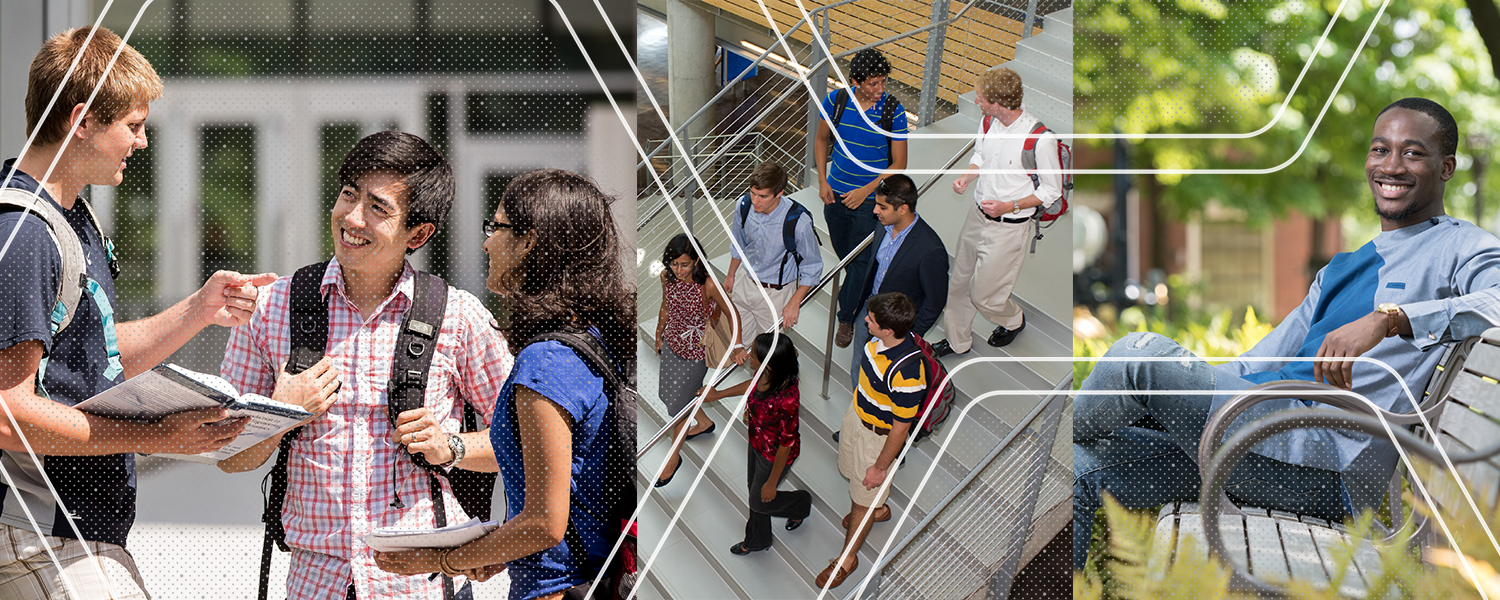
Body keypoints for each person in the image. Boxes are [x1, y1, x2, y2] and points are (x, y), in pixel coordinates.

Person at [1071, 98, 1500, 571]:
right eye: (1381, 149)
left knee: (1141, 354)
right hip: (1258, 437)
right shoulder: (1343, 268)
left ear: (1447, 167)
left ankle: (1042, 437)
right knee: (1079, 468)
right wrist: (1177, 398)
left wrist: (1390, 318)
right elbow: (1255, 363)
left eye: (1413, 153)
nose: (1391, 165)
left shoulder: (1462, 244)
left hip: (1327, 461)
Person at [0, 27, 276, 599]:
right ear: (81, 121)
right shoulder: (24, 232)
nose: (143, 141)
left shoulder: (73, 218)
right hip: (36, 532)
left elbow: (83, 357)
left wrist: (200, 310)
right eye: (133, 124)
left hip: (72, 533)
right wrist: (157, 434)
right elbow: (8, 414)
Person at [218, 131, 513, 599]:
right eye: (348, 194)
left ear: (418, 233)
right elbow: (230, 456)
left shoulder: (458, 316)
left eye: (378, 208)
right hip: (315, 583)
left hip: (423, 585)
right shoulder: (274, 308)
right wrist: (279, 411)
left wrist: (450, 445)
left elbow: (527, 442)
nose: (352, 218)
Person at [372, 169, 635, 600]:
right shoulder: (593, 341)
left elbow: (543, 525)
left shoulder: (546, 362)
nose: (487, 241)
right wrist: (490, 547)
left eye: (497, 226)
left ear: (530, 241)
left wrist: (439, 560)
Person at [932, 67, 1063, 356]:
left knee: (985, 297)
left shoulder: (1040, 141)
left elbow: (1050, 191)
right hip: (976, 216)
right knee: (960, 282)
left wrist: (1009, 206)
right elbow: (981, 155)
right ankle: (957, 340)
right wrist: (968, 176)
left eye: (980, 99)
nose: (976, 102)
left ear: (998, 103)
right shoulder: (989, 122)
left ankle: (1013, 319)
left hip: (1009, 228)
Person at [819, 293, 926, 589]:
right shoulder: (876, 341)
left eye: (872, 320)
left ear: (888, 330)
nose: (865, 320)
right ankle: (878, 509)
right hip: (857, 418)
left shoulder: (907, 374)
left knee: (862, 496)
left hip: (876, 439)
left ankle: (847, 559)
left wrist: (880, 467)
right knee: (851, 475)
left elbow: (900, 429)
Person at [816, 48, 911, 349]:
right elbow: (820, 139)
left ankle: (846, 317)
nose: (879, 89)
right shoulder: (836, 101)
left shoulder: (891, 110)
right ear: (855, 81)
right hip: (834, 196)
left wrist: (866, 192)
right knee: (846, 255)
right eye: (872, 83)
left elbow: (899, 164)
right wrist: (822, 180)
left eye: (883, 82)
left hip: (869, 202)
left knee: (858, 262)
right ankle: (857, 288)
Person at [697, 332, 813, 555]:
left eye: (754, 354)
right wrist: (718, 394)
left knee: (760, 500)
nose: (749, 356)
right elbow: (754, 385)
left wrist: (771, 482)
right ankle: (759, 539)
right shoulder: (768, 374)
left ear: (768, 364)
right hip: (756, 442)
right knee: (754, 491)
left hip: (774, 455)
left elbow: (786, 444)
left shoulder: (787, 399)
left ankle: (800, 503)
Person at [652, 233, 738, 487]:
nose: (678, 270)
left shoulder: (708, 285)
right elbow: (665, 306)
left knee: (678, 408)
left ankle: (672, 459)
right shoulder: (666, 277)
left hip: (696, 352)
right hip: (672, 343)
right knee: (670, 396)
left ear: (697, 262)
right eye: (674, 263)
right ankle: (704, 422)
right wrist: (659, 335)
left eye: (684, 264)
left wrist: (738, 344)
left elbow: (732, 313)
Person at [847, 174, 948, 387]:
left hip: (896, 330)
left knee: (884, 380)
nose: (876, 211)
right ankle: (859, 401)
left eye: (882, 207)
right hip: (869, 312)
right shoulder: (882, 226)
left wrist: (908, 335)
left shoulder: (930, 249)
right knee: (859, 363)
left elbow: (935, 301)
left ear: (902, 209)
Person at [725, 162, 822, 349]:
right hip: (746, 281)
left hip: (776, 294)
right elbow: (739, 244)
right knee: (741, 343)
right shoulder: (743, 206)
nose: (755, 201)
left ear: (779, 193)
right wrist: (731, 275)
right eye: (753, 193)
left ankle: (783, 369)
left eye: (763, 196)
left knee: (770, 351)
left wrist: (795, 302)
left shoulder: (798, 222)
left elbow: (812, 266)